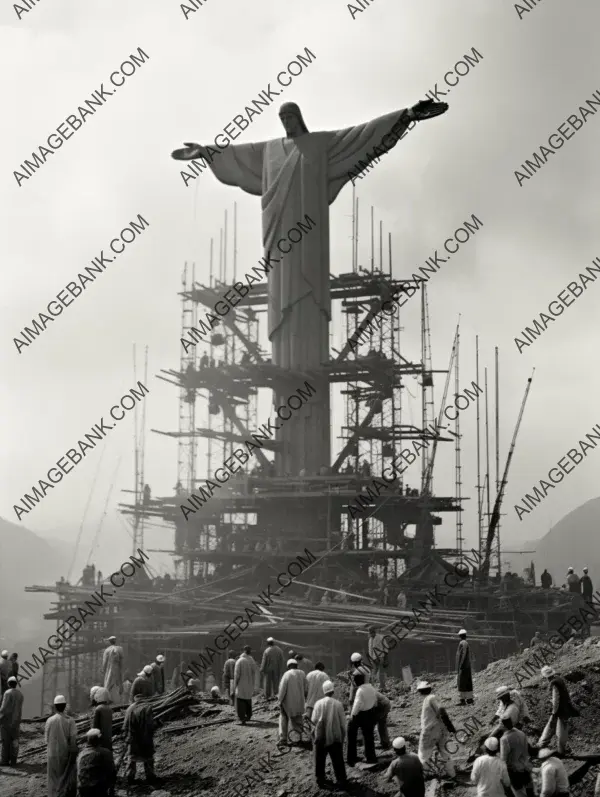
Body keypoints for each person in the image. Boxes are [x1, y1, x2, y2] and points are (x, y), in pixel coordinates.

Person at [311, 679, 348, 788]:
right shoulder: (338, 704)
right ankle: (341, 780)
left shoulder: (318, 704)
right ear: (333, 691)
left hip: (321, 736)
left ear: (324, 691)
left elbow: (313, 720)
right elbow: (342, 723)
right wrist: (343, 737)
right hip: (335, 736)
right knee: (337, 759)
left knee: (320, 758)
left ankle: (320, 779)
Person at [416, 680, 455, 778]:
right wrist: (449, 727)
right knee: (444, 751)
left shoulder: (430, 698)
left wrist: (450, 726)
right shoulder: (432, 698)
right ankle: (452, 773)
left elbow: (441, 710)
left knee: (423, 754)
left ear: (420, 691)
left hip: (430, 731)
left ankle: (426, 775)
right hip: (441, 729)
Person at [538, 666, 579, 755]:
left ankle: (557, 750)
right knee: (557, 728)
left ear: (546, 677)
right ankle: (546, 745)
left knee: (558, 730)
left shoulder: (554, 683)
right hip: (565, 708)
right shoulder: (559, 679)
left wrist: (554, 712)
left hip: (560, 710)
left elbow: (556, 698)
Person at [123, 693, 160, 787]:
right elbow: (150, 725)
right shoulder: (148, 707)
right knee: (148, 757)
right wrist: (157, 724)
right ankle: (150, 777)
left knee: (131, 758)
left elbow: (125, 725)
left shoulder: (129, 708)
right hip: (145, 737)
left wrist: (127, 735)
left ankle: (130, 778)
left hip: (132, 737)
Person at [45, 695, 78, 797]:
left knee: (52, 780)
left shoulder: (49, 720)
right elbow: (73, 740)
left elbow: (46, 739)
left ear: (55, 706)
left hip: (52, 754)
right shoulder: (70, 721)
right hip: (65, 754)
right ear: (65, 706)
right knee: (64, 779)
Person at [347, 672, 378, 767]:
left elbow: (357, 705)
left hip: (361, 714)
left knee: (351, 733)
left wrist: (351, 716)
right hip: (371, 713)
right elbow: (375, 702)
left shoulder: (360, 690)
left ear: (357, 681)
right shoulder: (372, 688)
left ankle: (351, 757)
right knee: (369, 736)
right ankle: (371, 757)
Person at [76, 728, 116, 797]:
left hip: (82, 788)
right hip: (97, 789)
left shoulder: (81, 753)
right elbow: (111, 771)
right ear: (99, 740)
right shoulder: (105, 752)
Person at [500, 716, 532, 797]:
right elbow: (526, 749)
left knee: (519, 792)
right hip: (525, 765)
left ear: (503, 725)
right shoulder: (521, 733)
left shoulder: (504, 739)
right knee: (529, 789)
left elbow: (504, 758)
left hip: (514, 770)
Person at [278, 658, 307, 745]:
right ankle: (299, 738)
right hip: (300, 701)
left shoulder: (287, 674)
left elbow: (282, 689)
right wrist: (304, 697)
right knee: (298, 718)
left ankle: (283, 738)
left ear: (288, 666)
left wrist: (280, 700)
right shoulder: (302, 673)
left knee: (283, 717)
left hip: (289, 701)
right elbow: (306, 687)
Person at [0, 676, 23, 766]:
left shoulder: (7, 693)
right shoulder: (20, 694)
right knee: (15, 740)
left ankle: (4, 760)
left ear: (8, 684)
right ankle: (14, 760)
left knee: (5, 741)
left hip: (6, 721)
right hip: (16, 721)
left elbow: (3, 708)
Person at [233, 645, 258, 725]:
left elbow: (237, 675)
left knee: (240, 700)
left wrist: (234, 685)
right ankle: (249, 715)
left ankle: (242, 718)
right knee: (248, 699)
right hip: (250, 684)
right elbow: (255, 672)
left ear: (243, 651)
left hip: (241, 684)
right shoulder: (252, 660)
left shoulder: (239, 661)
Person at [102, 636, 124, 704]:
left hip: (110, 669)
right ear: (115, 641)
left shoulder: (107, 650)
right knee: (119, 683)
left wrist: (103, 670)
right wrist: (121, 669)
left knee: (108, 683)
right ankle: (119, 700)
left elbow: (104, 662)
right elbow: (122, 661)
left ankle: (107, 700)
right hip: (117, 668)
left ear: (109, 642)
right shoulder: (120, 649)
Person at [456, 629, 474, 705]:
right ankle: (469, 699)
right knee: (467, 682)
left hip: (463, 666)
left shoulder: (462, 643)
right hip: (466, 666)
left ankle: (462, 700)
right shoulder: (465, 642)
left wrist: (461, 664)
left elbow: (463, 654)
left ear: (460, 636)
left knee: (461, 682)